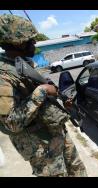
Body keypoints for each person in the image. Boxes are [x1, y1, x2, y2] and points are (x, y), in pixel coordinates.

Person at [0, 14, 87, 176]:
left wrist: (58, 99)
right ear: (16, 42)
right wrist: (43, 91)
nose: (34, 43)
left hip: (56, 132)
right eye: (30, 40)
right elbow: (11, 123)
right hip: (40, 145)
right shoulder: (3, 75)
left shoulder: (22, 63)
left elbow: (38, 99)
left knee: (77, 170)